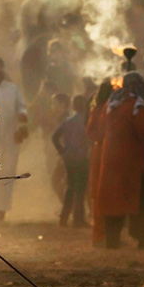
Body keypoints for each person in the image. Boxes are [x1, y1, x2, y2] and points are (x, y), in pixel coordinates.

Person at [97, 72, 144, 249]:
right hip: (130, 160)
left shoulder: (110, 103)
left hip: (110, 158)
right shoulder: (137, 105)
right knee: (141, 200)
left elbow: (100, 129)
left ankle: (112, 240)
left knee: (113, 200)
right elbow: (142, 131)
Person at [0, 56, 28, 224]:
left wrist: (23, 119)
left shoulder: (12, 89)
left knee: (8, 173)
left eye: (0, 67)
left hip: (11, 138)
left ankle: (0, 211)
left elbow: (21, 107)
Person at [51, 95, 90, 227]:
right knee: (80, 189)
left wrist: (62, 150)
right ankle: (78, 220)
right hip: (81, 157)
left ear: (73, 106)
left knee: (70, 186)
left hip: (68, 157)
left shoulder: (67, 121)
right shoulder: (86, 122)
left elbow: (54, 137)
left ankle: (64, 218)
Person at [86, 81, 112, 246]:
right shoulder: (98, 109)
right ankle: (99, 235)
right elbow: (90, 132)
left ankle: (107, 234)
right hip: (101, 152)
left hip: (108, 152)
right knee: (99, 193)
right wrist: (104, 138)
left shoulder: (108, 108)